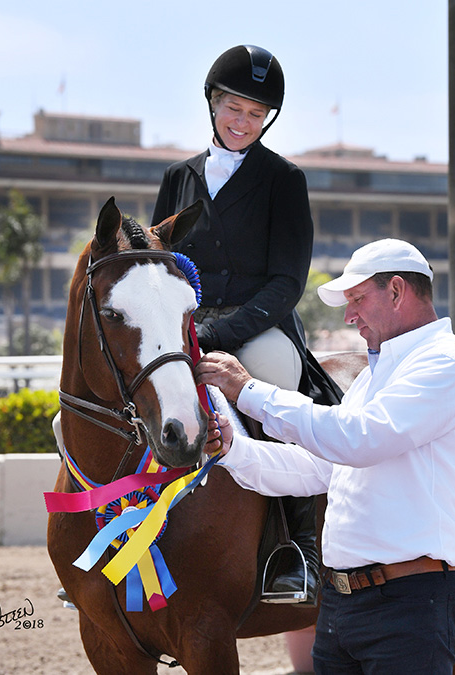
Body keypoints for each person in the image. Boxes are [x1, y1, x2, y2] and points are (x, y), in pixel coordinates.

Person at [196, 238, 455, 674]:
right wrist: (234, 450)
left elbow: (357, 439)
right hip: (345, 606)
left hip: (412, 606)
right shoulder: (375, 376)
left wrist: (249, 392)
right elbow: (319, 468)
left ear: (398, 290)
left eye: (357, 299)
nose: (349, 315)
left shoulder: (449, 364)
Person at [152, 44, 342, 605]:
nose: (243, 122)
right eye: (234, 108)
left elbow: (287, 282)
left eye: (256, 114)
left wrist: (216, 335)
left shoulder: (284, 179)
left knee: (276, 400)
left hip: (258, 326)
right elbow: (161, 262)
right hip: (186, 321)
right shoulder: (177, 176)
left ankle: (299, 551)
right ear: (213, 104)